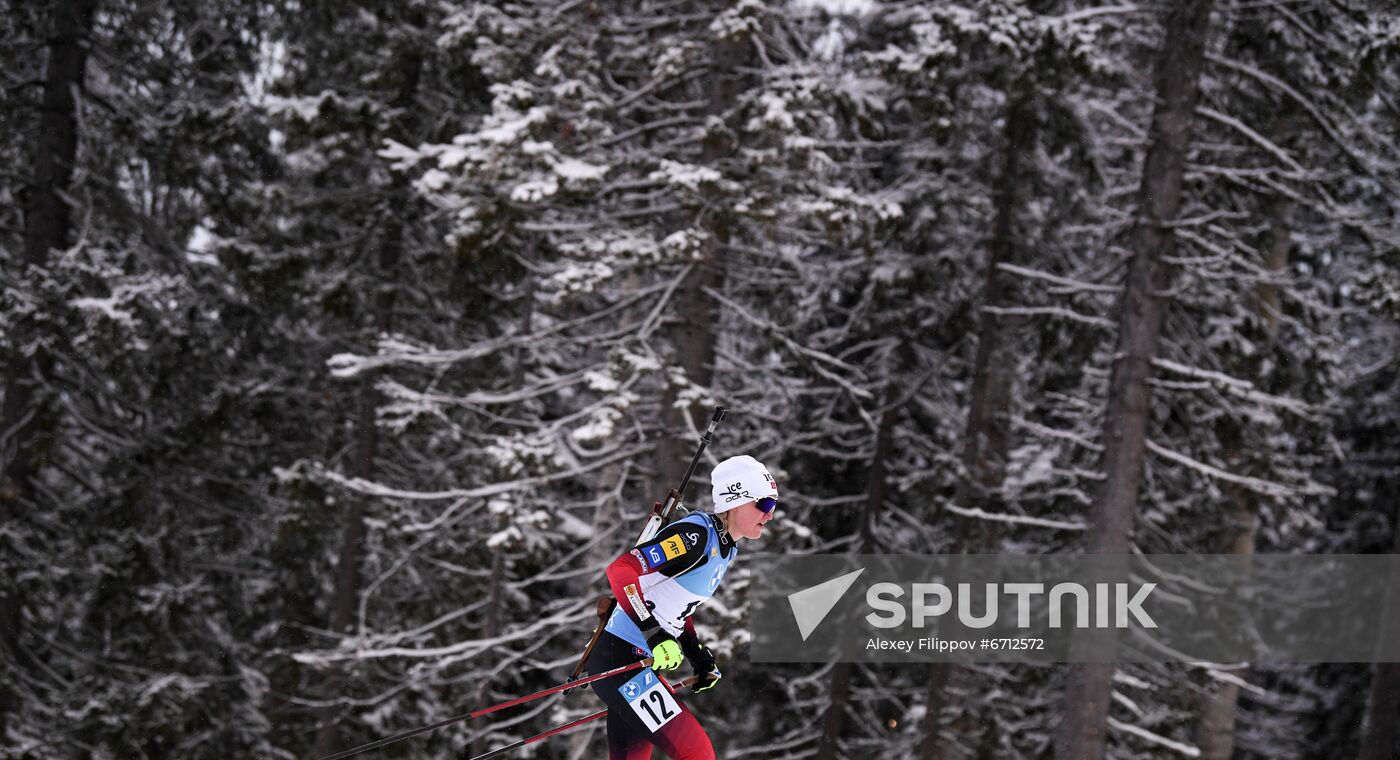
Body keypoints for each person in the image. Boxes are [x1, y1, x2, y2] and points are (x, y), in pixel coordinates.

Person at [586, 454, 779, 760]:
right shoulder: (695, 536)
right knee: (698, 754)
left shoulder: (725, 547)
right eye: (764, 504)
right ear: (734, 500)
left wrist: (694, 651)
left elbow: (676, 607)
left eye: (773, 506)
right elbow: (621, 570)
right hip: (620, 657)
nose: (769, 514)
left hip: (639, 663)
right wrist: (653, 633)